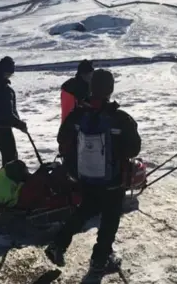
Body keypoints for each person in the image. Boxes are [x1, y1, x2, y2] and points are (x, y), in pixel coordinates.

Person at [44, 69, 141, 273]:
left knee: (84, 209)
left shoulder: (77, 114)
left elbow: (62, 139)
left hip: (85, 176)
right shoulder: (120, 118)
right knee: (110, 217)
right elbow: (134, 148)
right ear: (110, 90)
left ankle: (58, 244)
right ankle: (101, 258)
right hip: (112, 180)